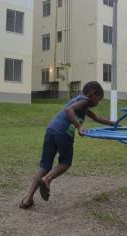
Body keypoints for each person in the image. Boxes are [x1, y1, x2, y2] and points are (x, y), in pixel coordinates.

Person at [19, 81, 115, 209]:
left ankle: (28, 199)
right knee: (65, 163)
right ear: (92, 94)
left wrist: (114, 124)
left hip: (51, 130)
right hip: (63, 133)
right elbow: (69, 110)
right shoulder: (85, 100)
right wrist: (79, 126)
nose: (98, 102)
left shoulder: (80, 102)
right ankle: (47, 179)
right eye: (99, 99)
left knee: (44, 166)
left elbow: (97, 118)